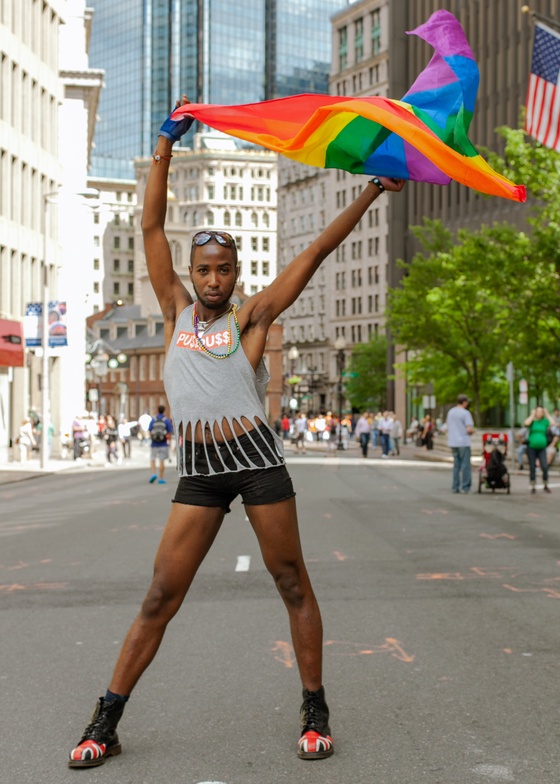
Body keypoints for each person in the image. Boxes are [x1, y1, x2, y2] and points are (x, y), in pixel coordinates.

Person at [67, 95, 404, 769]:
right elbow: (153, 225)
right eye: (204, 270)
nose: (213, 279)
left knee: (291, 582)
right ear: (191, 277)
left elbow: (317, 250)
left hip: (257, 466)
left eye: (224, 269)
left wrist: (371, 191)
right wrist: (165, 142)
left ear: (236, 273)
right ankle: (106, 720)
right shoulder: (173, 310)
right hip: (198, 473)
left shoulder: (250, 319)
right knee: (161, 595)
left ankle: (314, 708)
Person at [446, 395, 475, 493]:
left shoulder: (451, 412)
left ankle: (455, 487)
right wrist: (473, 431)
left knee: (456, 465)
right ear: (464, 402)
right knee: (465, 465)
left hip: (453, 441)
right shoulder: (465, 413)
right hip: (463, 442)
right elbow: (469, 429)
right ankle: (465, 487)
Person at [524, 406, 554, 494]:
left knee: (544, 466)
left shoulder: (544, 422)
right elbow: (526, 423)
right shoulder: (532, 421)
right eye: (538, 411)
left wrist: (547, 414)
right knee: (532, 467)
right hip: (531, 448)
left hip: (542, 448)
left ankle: (545, 484)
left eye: (541, 412)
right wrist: (532, 415)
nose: (540, 413)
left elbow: (553, 423)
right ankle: (533, 485)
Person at [148, 404, 173, 484]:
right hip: (163, 443)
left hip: (154, 443)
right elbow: (169, 433)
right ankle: (161, 478)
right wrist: (169, 442)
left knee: (153, 459)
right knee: (162, 461)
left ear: (157, 410)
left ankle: (153, 473)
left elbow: (149, 430)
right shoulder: (166, 420)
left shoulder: (153, 419)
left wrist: (151, 438)